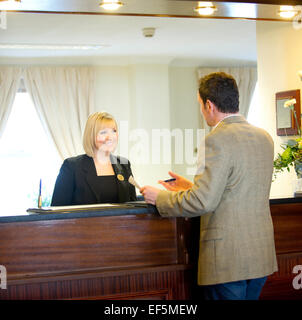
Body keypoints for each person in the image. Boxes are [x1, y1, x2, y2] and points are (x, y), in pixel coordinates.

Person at [141, 72, 278, 300]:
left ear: (209, 104)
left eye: (201, 106)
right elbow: (236, 187)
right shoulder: (264, 138)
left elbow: (203, 201)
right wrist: (190, 187)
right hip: (260, 256)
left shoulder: (216, 139)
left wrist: (160, 198)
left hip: (228, 260)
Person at [51, 112, 136, 206]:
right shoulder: (71, 166)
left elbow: (134, 207)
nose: (110, 137)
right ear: (91, 135)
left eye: (114, 131)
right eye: (103, 132)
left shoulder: (124, 164)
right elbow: (56, 210)